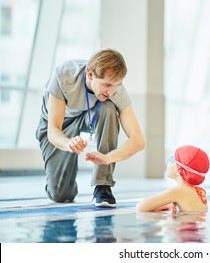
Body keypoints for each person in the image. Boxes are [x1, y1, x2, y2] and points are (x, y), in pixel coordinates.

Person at [35, 49, 145, 208]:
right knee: (60, 194)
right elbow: (53, 130)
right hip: (60, 126)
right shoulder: (64, 75)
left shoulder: (115, 91)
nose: (111, 91)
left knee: (108, 108)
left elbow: (138, 141)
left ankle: (103, 185)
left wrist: (107, 158)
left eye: (116, 85)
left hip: (87, 117)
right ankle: (65, 182)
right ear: (90, 74)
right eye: (107, 84)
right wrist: (69, 143)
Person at [136, 145, 210, 212]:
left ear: (180, 170)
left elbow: (141, 207)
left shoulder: (178, 191)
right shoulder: (197, 192)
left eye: (172, 159)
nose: (168, 162)